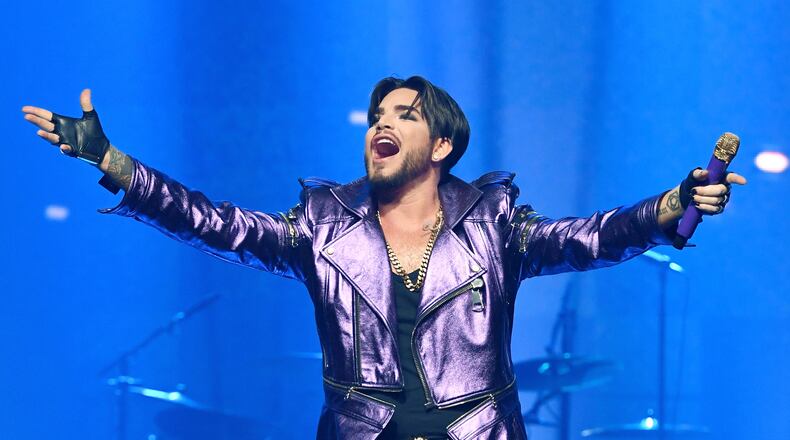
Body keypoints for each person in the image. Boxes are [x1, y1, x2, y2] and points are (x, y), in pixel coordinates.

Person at [22, 76, 746, 439]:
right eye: (376, 117)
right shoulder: (323, 226)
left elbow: (590, 237)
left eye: (404, 115)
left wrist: (673, 202)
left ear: (442, 147)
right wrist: (115, 163)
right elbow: (214, 223)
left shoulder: (493, 223)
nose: (381, 125)